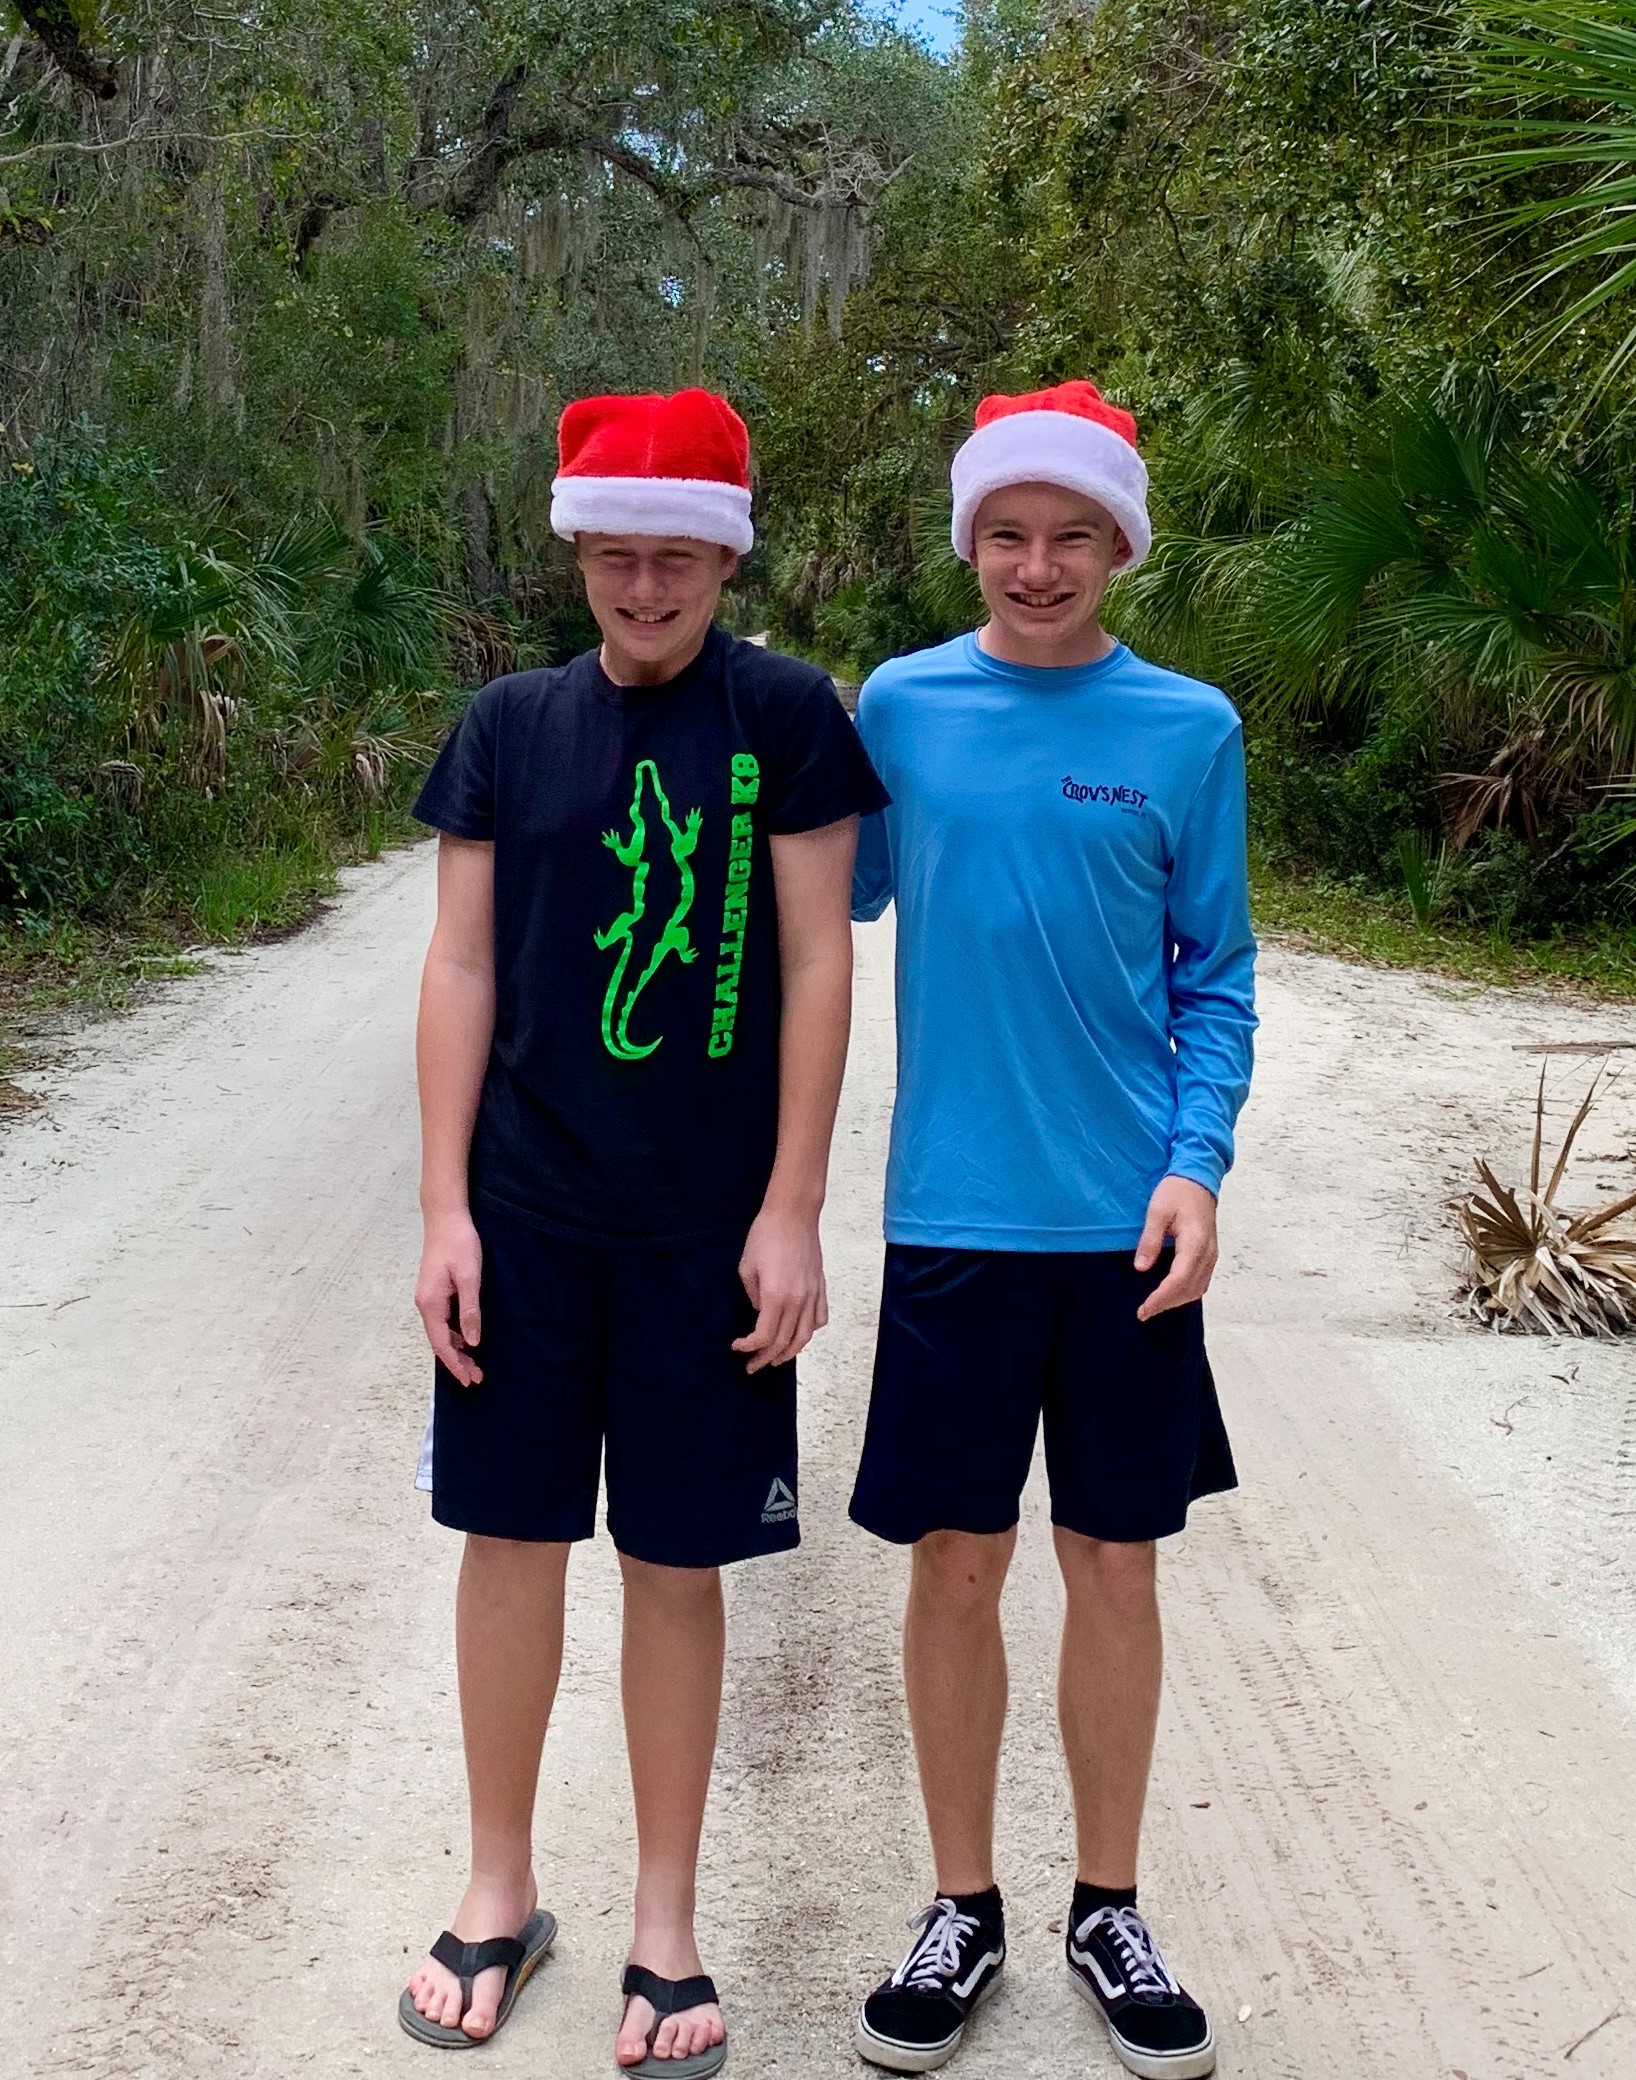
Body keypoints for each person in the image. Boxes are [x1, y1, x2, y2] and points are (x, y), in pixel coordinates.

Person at [398, 387, 888, 2073]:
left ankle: (664, 1923)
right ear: (579, 556)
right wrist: (445, 1209)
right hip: (526, 1217)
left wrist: (793, 1207)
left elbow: (818, 961)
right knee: (507, 1544)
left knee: (677, 1569)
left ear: (726, 559)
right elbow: (461, 965)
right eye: (614, 555)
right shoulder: (509, 725)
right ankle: (499, 1889)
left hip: (704, 1234)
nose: (644, 587)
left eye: (677, 556)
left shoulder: (785, 717)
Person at [847, 381, 1256, 2079]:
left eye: (1072, 534)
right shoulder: (900, 707)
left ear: (1119, 547)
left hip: (1122, 1228)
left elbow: (1216, 973)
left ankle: (1108, 1905)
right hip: (952, 1213)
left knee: (1115, 1560)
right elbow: (826, 896)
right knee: (956, 1563)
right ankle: (963, 1907)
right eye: (1007, 533)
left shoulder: (1189, 730)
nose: (1037, 565)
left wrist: (1196, 1165)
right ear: (970, 540)